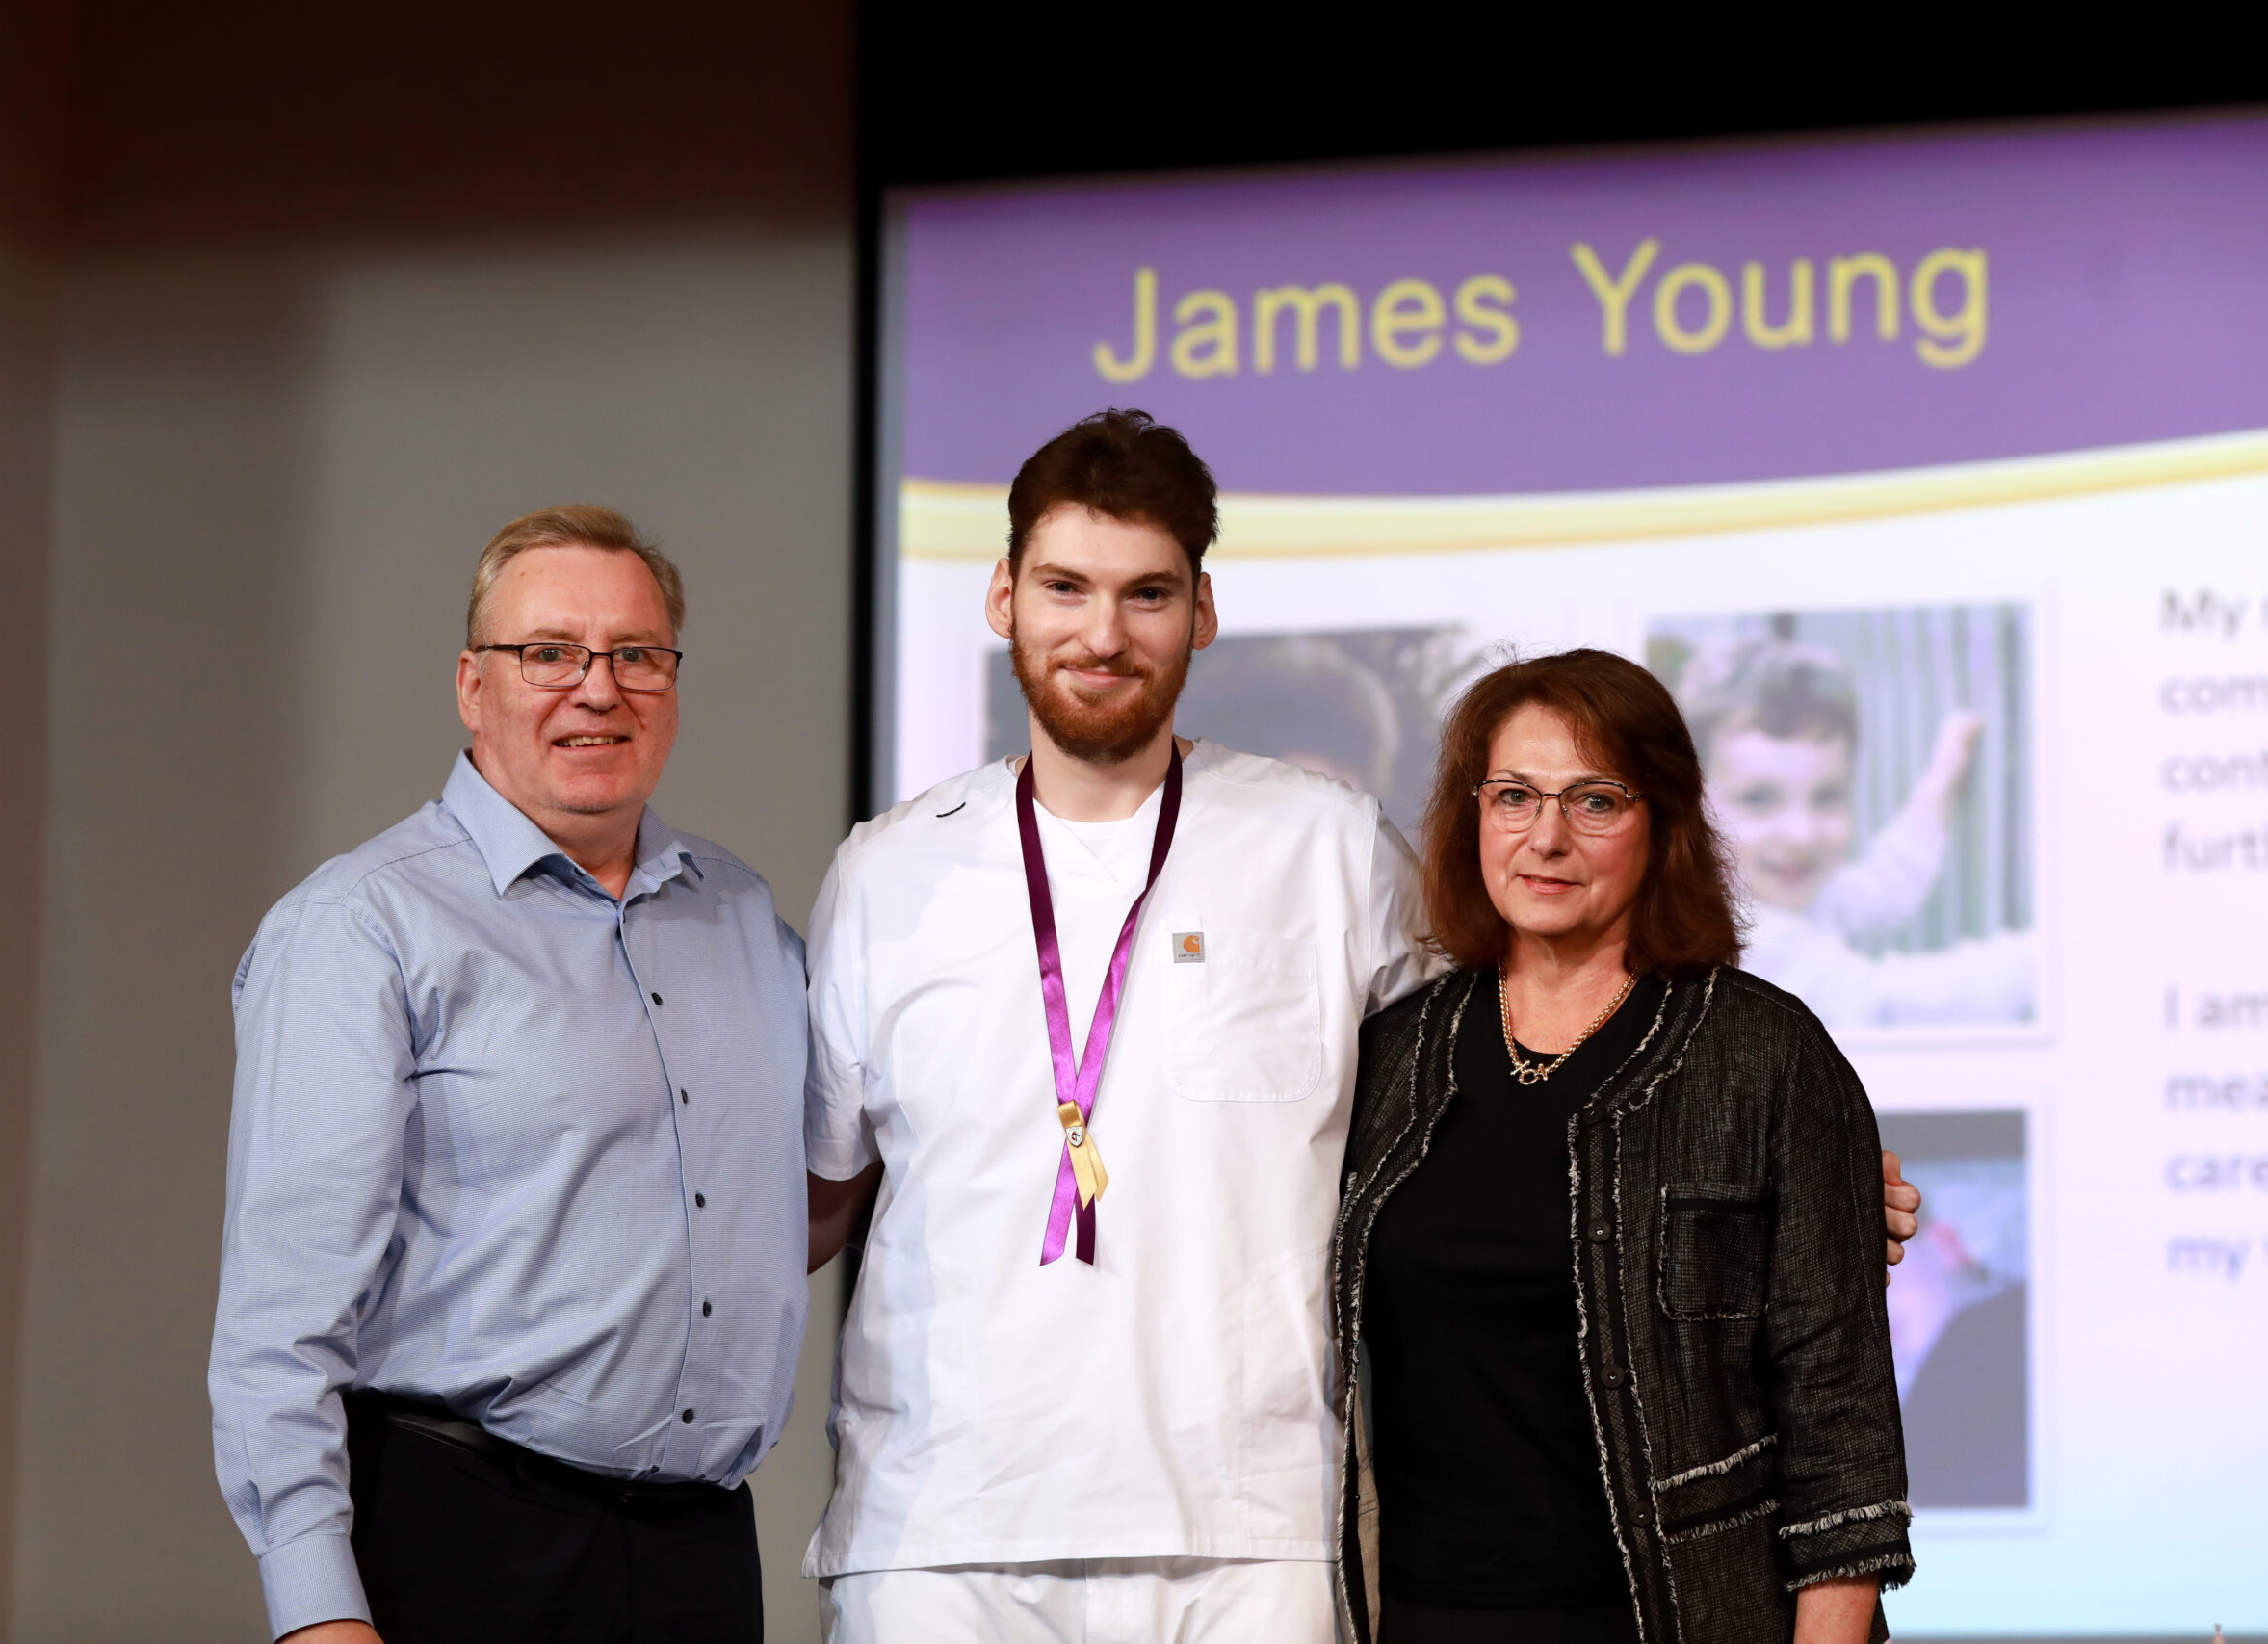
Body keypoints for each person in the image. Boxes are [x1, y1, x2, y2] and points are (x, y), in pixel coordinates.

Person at [801, 411, 1918, 1643]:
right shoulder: (884, 875)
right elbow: (813, 1196)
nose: (1102, 633)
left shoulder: (1325, 844)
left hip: (1254, 1536)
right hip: (940, 1536)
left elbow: (1545, 1039)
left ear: (1203, 611)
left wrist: (1795, 1189)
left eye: (1147, 594)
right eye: (1065, 587)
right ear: (1004, 596)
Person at [208, 506, 808, 1644]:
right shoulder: (362, 926)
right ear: (472, 685)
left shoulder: (741, 917)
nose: (598, 689)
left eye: (636, 655)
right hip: (459, 1544)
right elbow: (278, 1321)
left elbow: (781, 1199)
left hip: (703, 1553)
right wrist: (315, 1614)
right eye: (549, 654)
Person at [1334, 650, 1915, 1644]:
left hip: (1681, 1616)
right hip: (1422, 1618)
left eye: (1594, 801)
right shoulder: (1390, 1056)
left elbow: (1841, 1434)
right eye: (1513, 796)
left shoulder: (1764, 1056)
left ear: (1664, 822)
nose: (1546, 838)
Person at [1681, 635, 2032, 1031]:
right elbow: (1885, 1005)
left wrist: (1943, 781)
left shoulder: (1777, 894)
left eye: (1827, 796)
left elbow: (1886, 886)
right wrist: (2046, 958)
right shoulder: (1734, 938)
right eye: (1759, 799)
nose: (1801, 834)